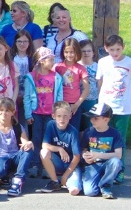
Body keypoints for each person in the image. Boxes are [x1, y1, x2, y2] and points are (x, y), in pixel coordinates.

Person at [96, 34, 131, 183]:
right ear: (106, 49)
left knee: (120, 139)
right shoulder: (103, 62)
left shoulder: (129, 62)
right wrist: (101, 98)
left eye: (118, 49)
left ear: (123, 47)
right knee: (104, 137)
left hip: (123, 108)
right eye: (112, 49)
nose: (115, 53)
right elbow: (99, 80)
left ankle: (120, 170)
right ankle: (103, 167)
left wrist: (130, 94)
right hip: (106, 107)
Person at [0, 98, 33, 197]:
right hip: (0, 157)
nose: (3, 113)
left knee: (29, 148)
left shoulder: (18, 127)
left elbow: (25, 143)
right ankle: (4, 176)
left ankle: (18, 179)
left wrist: (29, 143)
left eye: (7, 111)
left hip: (15, 157)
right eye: (1, 110)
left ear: (13, 112)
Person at [25, 46, 63, 178]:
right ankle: (35, 164)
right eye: (50, 60)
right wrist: (28, 114)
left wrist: (58, 113)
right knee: (36, 138)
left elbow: (59, 96)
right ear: (41, 61)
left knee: (50, 139)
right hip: (36, 113)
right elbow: (27, 97)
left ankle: (49, 165)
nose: (53, 63)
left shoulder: (56, 77)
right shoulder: (31, 77)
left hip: (50, 114)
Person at [80, 102, 124, 198]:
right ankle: (99, 179)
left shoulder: (115, 133)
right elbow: (83, 149)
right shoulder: (89, 132)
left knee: (116, 162)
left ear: (106, 119)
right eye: (91, 117)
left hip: (108, 164)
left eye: (96, 118)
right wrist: (85, 156)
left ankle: (105, 186)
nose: (92, 120)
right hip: (92, 165)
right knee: (90, 192)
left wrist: (98, 155)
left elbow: (118, 155)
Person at [39, 101, 81, 195]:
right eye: (59, 116)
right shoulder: (51, 124)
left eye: (65, 116)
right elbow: (44, 145)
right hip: (57, 162)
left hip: (70, 165)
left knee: (74, 191)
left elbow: (77, 156)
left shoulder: (73, 132)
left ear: (70, 116)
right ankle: (55, 182)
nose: (62, 119)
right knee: (44, 152)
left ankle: (74, 180)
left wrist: (65, 176)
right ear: (53, 116)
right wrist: (59, 149)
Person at [54, 38, 89, 130]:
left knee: (73, 129)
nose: (69, 55)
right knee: (59, 129)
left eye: (72, 52)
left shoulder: (80, 68)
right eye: (66, 52)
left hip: (74, 104)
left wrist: (77, 105)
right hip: (60, 103)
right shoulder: (57, 67)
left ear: (77, 51)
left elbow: (86, 89)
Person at [11, 29, 35, 135]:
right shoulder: (11, 57)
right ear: (15, 43)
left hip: (28, 95)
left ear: (29, 43)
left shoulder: (33, 58)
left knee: (25, 121)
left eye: (25, 41)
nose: (22, 44)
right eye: (19, 41)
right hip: (13, 93)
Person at [79, 39, 99, 131]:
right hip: (78, 99)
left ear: (93, 53)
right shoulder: (76, 65)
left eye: (89, 51)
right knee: (78, 124)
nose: (86, 53)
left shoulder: (97, 66)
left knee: (90, 124)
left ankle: (90, 143)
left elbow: (100, 83)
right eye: (83, 51)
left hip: (92, 98)